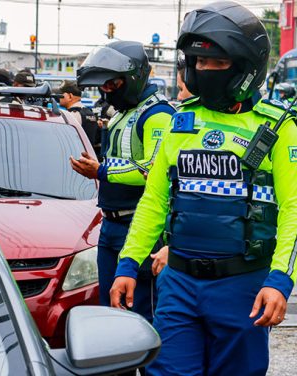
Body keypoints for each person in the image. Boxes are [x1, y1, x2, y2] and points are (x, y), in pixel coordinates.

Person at [109, 3, 297, 375]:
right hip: (178, 284)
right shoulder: (181, 122)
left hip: (242, 286)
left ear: (246, 67)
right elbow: (154, 201)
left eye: (216, 63)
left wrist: (280, 280)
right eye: (198, 63)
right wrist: (128, 264)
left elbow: (296, 209)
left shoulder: (279, 128)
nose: (204, 71)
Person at [71, 40, 175, 330]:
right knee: (111, 312)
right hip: (111, 225)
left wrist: (101, 171)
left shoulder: (158, 115)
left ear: (133, 78)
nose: (106, 90)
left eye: (112, 84)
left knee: (141, 314)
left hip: (139, 227)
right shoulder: (121, 113)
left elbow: (153, 171)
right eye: (103, 86)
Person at [57, 80, 99, 152]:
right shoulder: (89, 112)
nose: (58, 96)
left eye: (61, 94)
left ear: (70, 96)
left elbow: (65, 141)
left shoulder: (72, 115)